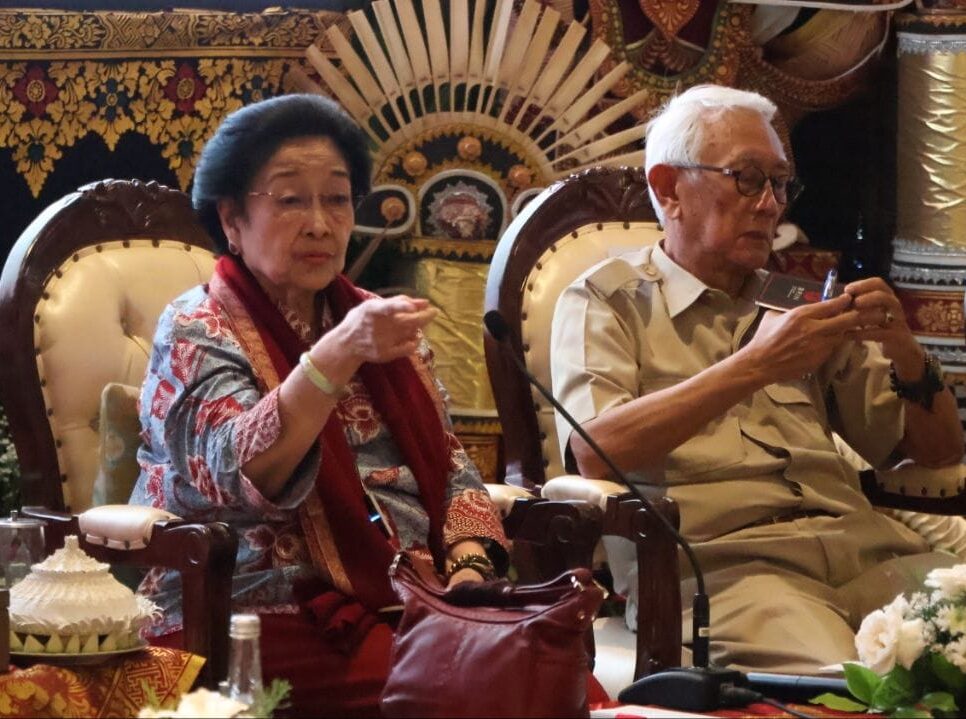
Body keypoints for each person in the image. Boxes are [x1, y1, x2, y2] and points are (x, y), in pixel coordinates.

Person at [550, 84, 965, 673]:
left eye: (780, 183)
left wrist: (905, 350)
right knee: (855, 692)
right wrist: (756, 366)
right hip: (728, 574)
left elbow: (938, 453)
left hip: (866, 554)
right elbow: (595, 453)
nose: (771, 204)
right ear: (669, 189)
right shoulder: (608, 299)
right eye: (747, 178)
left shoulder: (800, 305)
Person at [129, 94, 509, 716]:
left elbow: (452, 468)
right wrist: (335, 355)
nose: (319, 224)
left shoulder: (375, 322)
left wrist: (469, 571)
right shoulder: (197, 327)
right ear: (231, 219)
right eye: (289, 200)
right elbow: (236, 471)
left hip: (416, 598)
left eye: (336, 199)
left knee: (552, 675)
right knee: (479, 694)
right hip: (251, 602)